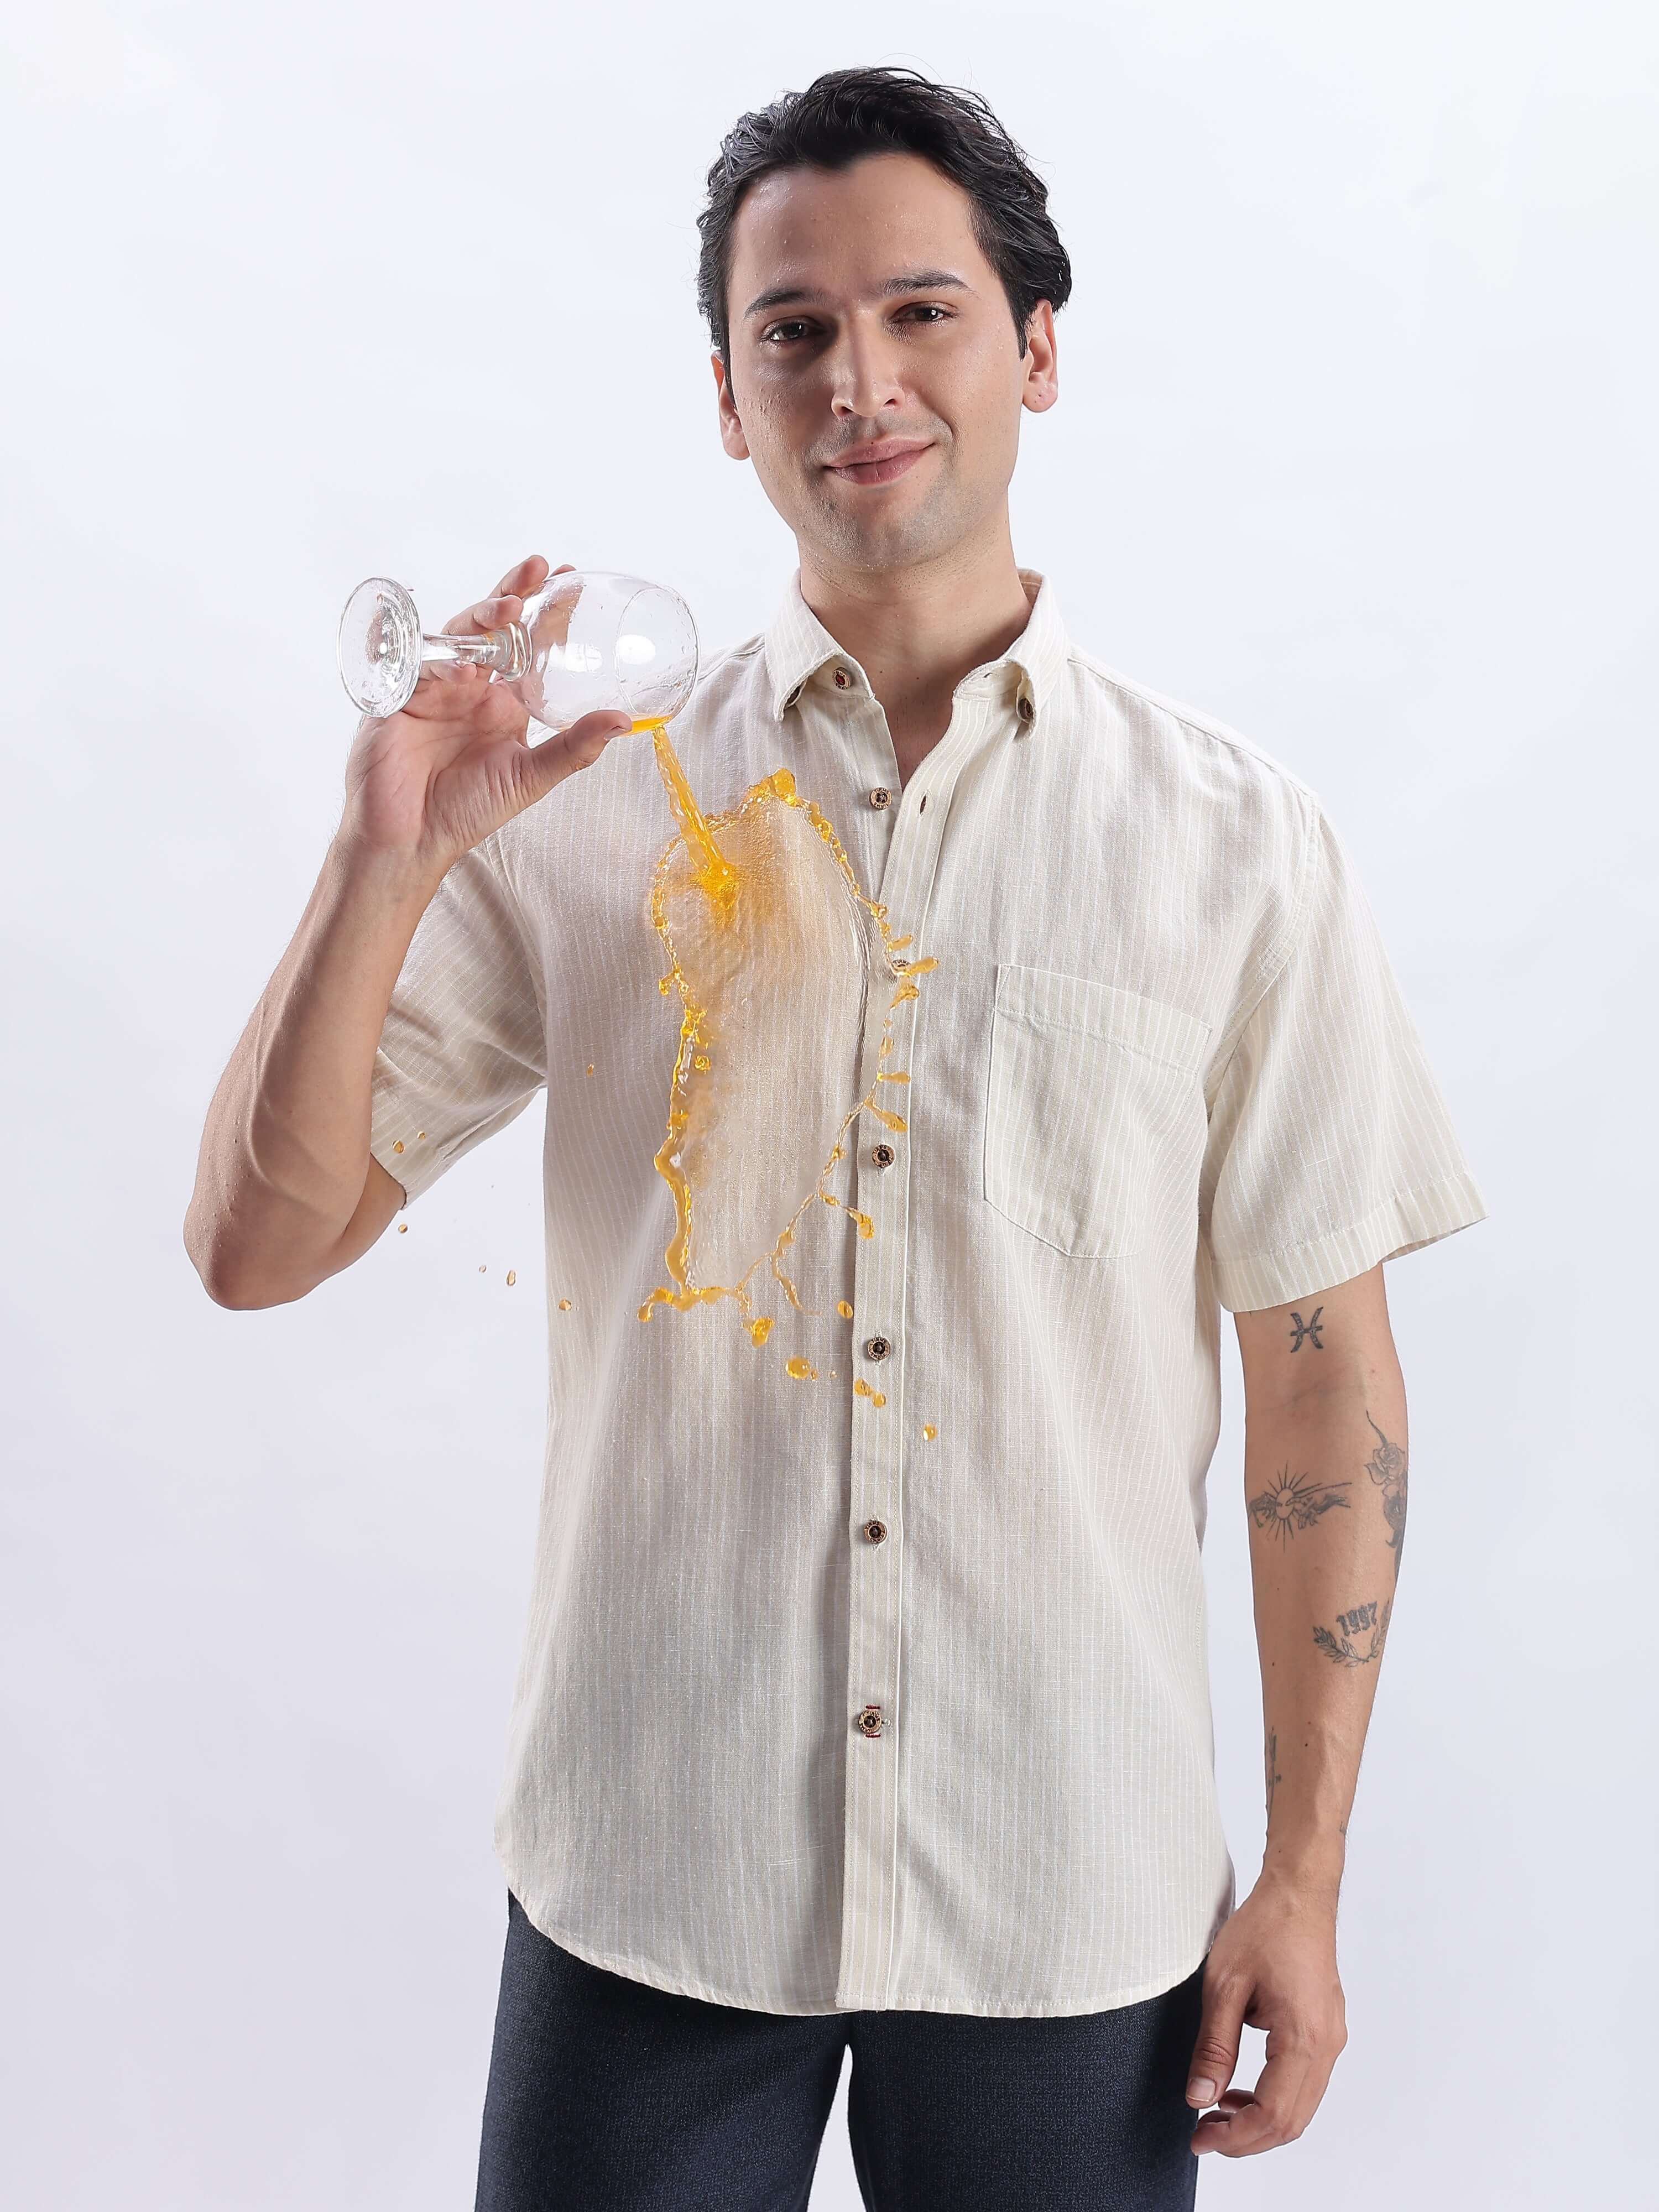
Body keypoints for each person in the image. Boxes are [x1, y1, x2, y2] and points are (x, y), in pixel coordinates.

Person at [185, 63, 1488, 2211]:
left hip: (1069, 1893)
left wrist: (1313, 1879)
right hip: (651, 1878)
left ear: (1038, 350)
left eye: (921, 311)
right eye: (792, 329)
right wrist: (379, 864)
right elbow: (261, 1239)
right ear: (727, 394)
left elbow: (1324, 1392)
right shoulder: (587, 803)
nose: (857, 379)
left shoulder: (1237, 847)